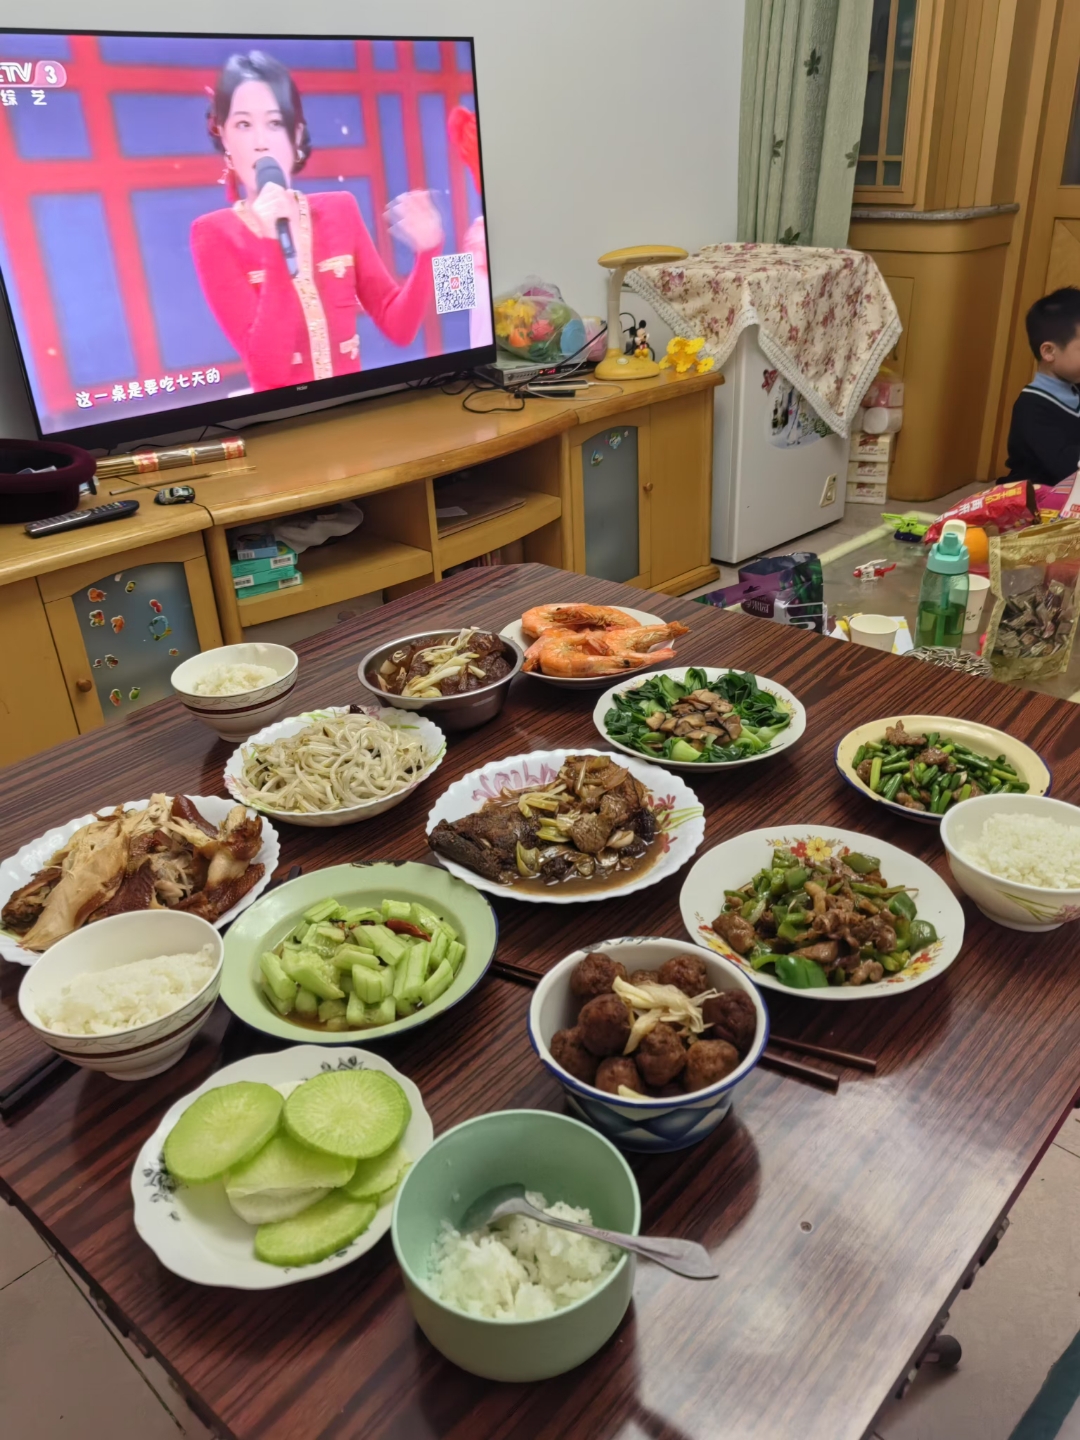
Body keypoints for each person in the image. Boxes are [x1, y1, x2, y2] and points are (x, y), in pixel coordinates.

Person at [191, 51, 444, 393]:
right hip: (280, 427)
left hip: (354, 411)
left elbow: (398, 328)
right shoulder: (214, 235)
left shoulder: (340, 209)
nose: (261, 142)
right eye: (243, 124)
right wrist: (272, 242)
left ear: (296, 135)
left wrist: (428, 252)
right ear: (224, 136)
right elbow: (270, 372)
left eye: (275, 122)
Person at [1004, 286, 1080, 486]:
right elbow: (1067, 467)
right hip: (1034, 502)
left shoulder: (1075, 388)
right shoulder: (1032, 406)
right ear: (1048, 352)